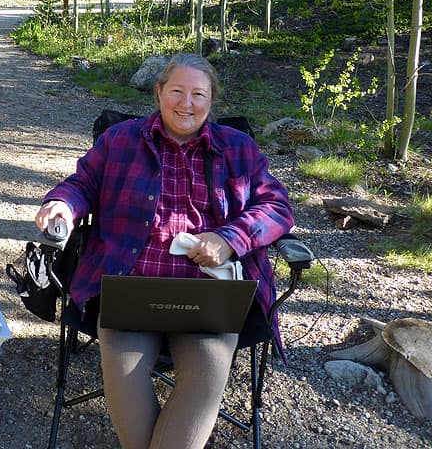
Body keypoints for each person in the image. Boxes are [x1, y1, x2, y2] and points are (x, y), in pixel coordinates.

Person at [34, 53, 294, 449]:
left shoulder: (238, 148)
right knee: (123, 366)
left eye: (198, 94)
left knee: (208, 367)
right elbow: (83, 183)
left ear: (211, 100)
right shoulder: (120, 140)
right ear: (158, 92)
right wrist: (64, 205)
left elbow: (276, 207)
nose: (185, 104)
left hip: (208, 294)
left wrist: (230, 239)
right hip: (130, 286)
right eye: (176, 91)